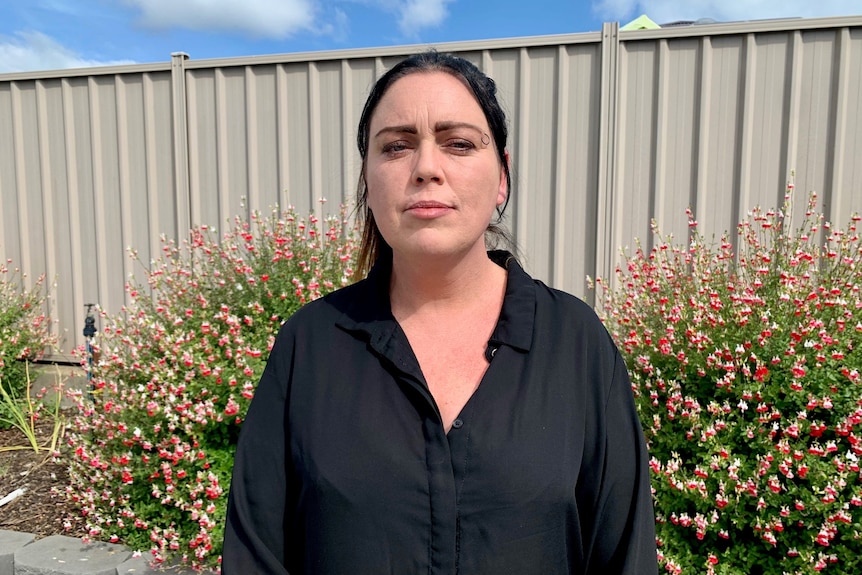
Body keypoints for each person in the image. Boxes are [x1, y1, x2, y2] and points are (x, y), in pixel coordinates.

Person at [222, 50, 658, 574]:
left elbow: (624, 555)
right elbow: (256, 556)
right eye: (397, 146)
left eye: (459, 143)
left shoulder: (575, 343)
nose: (426, 168)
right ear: (368, 177)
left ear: (501, 175)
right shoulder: (309, 345)